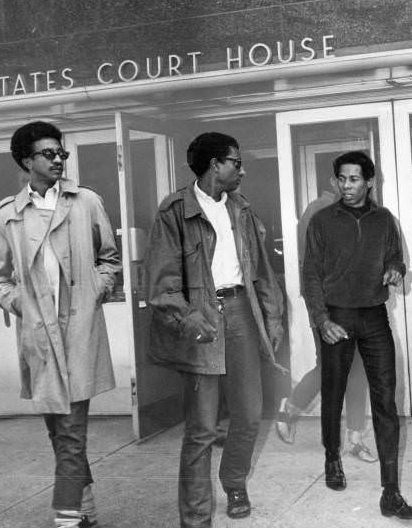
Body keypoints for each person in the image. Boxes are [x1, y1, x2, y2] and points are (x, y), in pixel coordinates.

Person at [0, 121, 121, 528]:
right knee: (60, 432)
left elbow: (109, 258)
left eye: (62, 153)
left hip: (78, 331)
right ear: (27, 161)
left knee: (72, 431)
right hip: (40, 336)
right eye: (49, 154)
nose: (59, 159)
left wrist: (98, 288)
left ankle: (66, 516)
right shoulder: (7, 217)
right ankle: (87, 505)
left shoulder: (86, 202)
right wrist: (21, 303)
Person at [144, 132, 284, 527]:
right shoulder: (174, 211)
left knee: (250, 413)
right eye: (235, 162)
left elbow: (262, 273)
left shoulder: (242, 208)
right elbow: (161, 282)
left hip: (242, 312)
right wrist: (190, 320)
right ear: (214, 164)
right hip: (199, 318)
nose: (241, 169)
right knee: (202, 427)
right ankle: (196, 518)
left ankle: (235, 481)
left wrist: (272, 319)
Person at [302, 150, 412, 519]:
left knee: (385, 400)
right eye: (341, 179)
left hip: (374, 318)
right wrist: (322, 320)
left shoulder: (384, 219)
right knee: (334, 392)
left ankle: (391, 493)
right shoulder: (322, 221)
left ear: (369, 182)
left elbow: (396, 258)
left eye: (354, 179)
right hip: (335, 318)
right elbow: (310, 275)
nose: (346, 186)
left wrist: (393, 270)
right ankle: (331, 457)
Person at [275, 185, 377, 463]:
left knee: (356, 369)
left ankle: (354, 438)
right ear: (335, 180)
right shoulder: (319, 212)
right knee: (334, 368)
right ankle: (292, 407)